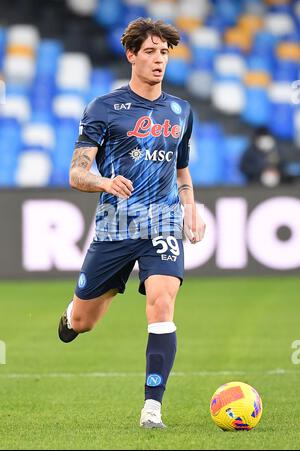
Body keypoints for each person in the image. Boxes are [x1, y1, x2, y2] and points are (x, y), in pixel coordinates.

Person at [58, 17, 206, 428]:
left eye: (164, 53)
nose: (159, 61)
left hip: (162, 222)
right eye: (150, 52)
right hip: (115, 226)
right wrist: (104, 180)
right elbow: (76, 173)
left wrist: (191, 208)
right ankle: (73, 313)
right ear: (131, 55)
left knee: (162, 303)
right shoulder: (104, 108)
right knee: (84, 322)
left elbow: (182, 172)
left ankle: (152, 408)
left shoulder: (181, 110)